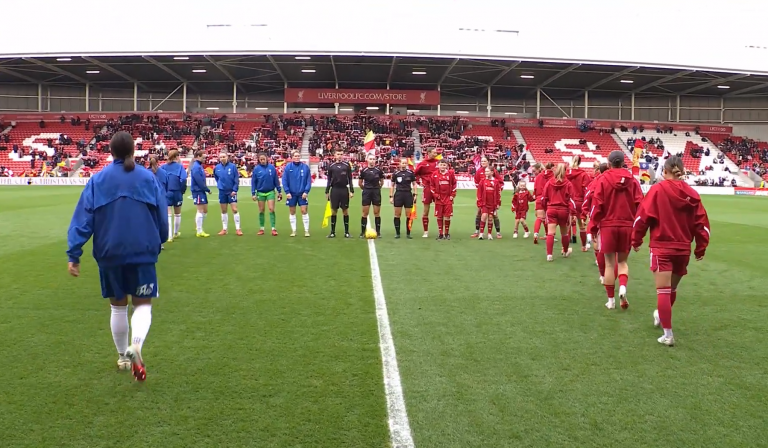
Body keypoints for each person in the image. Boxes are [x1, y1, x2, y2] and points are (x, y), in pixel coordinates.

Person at [66, 131, 168, 382]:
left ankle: (123, 356)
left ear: (110, 152)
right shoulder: (147, 177)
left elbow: (83, 219)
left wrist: (74, 253)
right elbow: (162, 215)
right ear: (133, 151)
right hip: (142, 250)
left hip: (109, 251)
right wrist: (160, 239)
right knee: (143, 303)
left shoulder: (97, 180)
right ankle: (137, 344)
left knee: (117, 305)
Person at [632, 155, 710, 346]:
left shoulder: (657, 190)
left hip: (662, 247)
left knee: (664, 292)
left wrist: (636, 239)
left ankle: (668, 334)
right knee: (671, 289)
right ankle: (660, 315)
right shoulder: (692, 193)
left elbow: (642, 218)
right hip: (683, 249)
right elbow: (702, 224)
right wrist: (700, 247)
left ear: (664, 171)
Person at [588, 151, 643, 310]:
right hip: (627, 225)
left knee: (610, 265)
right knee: (623, 262)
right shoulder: (632, 180)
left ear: (609, 163)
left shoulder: (603, 179)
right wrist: (639, 230)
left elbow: (597, 205)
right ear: (623, 163)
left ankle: (611, 300)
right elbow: (640, 205)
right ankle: (623, 287)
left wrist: (592, 227)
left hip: (608, 226)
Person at [541, 163, 575, 261]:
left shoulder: (549, 183)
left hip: (551, 209)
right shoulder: (568, 184)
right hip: (563, 210)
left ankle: (549, 255)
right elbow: (571, 200)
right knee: (564, 233)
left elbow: (543, 198)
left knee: (550, 233)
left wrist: (545, 208)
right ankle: (565, 251)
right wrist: (572, 212)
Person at [583, 162, 609, 282]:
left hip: (596, 212)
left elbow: (588, 194)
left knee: (596, 238)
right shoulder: (617, 179)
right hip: (613, 216)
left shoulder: (597, 181)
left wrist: (586, 211)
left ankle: (601, 269)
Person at [324, 148, 354, 238]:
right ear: (335, 155)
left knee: (345, 211)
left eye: (341, 154)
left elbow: (350, 179)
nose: (339, 155)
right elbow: (329, 179)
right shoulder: (331, 166)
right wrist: (327, 191)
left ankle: (347, 232)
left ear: (343, 155)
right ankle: (332, 232)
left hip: (344, 190)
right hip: (335, 190)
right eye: (338, 154)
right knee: (334, 211)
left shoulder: (347, 165)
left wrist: (351, 190)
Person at [471, 157, 503, 239]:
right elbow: (477, 183)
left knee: (494, 215)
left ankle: (498, 232)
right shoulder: (479, 171)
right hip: (483, 197)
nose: (483, 162)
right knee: (480, 213)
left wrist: (498, 192)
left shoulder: (494, 171)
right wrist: (479, 196)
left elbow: (500, 182)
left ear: (488, 162)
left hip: (492, 198)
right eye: (482, 161)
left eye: (485, 161)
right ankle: (477, 231)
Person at [282, 150, 312, 237]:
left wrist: (306, 191)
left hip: (302, 194)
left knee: (304, 211)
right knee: (292, 212)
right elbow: (284, 180)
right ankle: (294, 230)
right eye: (295, 156)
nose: (297, 157)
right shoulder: (288, 167)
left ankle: (306, 230)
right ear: (292, 157)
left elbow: (308, 181)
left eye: (298, 156)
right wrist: (287, 191)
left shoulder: (305, 167)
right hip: (291, 194)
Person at [251, 152, 282, 236]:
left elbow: (276, 180)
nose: (262, 161)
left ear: (267, 158)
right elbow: (253, 182)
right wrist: (253, 193)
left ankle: (273, 228)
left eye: (263, 159)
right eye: (260, 159)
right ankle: (261, 228)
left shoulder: (271, 168)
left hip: (270, 192)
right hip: (260, 193)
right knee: (261, 211)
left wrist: (279, 191)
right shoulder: (256, 169)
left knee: (271, 209)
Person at [159, 149, 187, 242]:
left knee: (168, 214)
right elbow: (183, 179)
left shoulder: (163, 167)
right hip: (177, 191)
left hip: (167, 192)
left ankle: (169, 236)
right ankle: (175, 232)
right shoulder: (180, 167)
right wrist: (182, 190)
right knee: (177, 213)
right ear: (176, 157)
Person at [566, 155, 591, 251]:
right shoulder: (583, 174)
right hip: (579, 201)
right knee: (581, 225)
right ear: (580, 162)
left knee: (567, 224)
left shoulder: (566, 173)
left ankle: (566, 247)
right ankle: (584, 246)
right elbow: (587, 190)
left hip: (569, 201)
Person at [213, 152, 242, 236]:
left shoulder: (232, 166)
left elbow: (236, 179)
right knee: (223, 210)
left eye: (224, 156)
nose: (222, 158)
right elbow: (216, 178)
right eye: (221, 157)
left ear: (227, 157)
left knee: (234, 209)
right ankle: (224, 229)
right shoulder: (217, 168)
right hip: (222, 191)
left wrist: (235, 190)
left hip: (231, 191)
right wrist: (220, 185)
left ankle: (238, 228)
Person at [414, 148, 440, 238]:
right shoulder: (422, 163)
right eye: (434, 152)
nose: (436, 153)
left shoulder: (439, 162)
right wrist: (418, 182)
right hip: (427, 188)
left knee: (440, 210)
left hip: (438, 188)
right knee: (426, 211)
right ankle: (425, 231)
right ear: (429, 153)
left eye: (436, 152)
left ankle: (441, 231)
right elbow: (415, 174)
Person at [359, 154, 385, 237]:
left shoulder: (378, 170)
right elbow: (360, 183)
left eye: (374, 159)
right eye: (371, 159)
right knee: (365, 213)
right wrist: (365, 189)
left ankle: (378, 232)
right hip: (366, 192)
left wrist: (377, 188)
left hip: (376, 192)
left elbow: (382, 182)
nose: (372, 160)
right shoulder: (364, 170)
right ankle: (363, 232)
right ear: (367, 160)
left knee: (377, 212)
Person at [390, 157, 417, 239]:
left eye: (405, 163)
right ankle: (397, 233)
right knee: (397, 214)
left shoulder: (410, 173)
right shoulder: (396, 173)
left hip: (408, 194)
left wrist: (415, 194)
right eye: (403, 163)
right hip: (398, 194)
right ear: (399, 163)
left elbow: (414, 184)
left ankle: (408, 233)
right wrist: (391, 196)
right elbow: (392, 185)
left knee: (408, 215)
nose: (404, 164)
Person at [430, 159, 457, 240]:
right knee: (439, 216)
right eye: (441, 165)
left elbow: (454, 184)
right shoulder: (434, 174)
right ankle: (440, 233)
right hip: (439, 199)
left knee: (447, 216)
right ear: (438, 165)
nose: (442, 166)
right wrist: (435, 195)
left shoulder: (450, 174)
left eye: (444, 165)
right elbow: (432, 186)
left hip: (448, 198)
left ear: (447, 166)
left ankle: (446, 233)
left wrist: (452, 195)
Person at [476, 167, 502, 240]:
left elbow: (498, 193)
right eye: (485, 171)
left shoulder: (496, 182)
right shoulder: (482, 181)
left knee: (490, 218)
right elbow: (479, 192)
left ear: (492, 172)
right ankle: (481, 234)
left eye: (488, 171)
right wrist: (479, 202)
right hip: (484, 203)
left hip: (492, 204)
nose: (486, 173)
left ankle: (489, 234)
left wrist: (498, 203)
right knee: (484, 216)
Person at [190, 150, 211, 237]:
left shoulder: (199, 166)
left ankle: (199, 226)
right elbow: (199, 181)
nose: (204, 159)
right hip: (198, 191)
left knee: (205, 210)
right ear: (198, 156)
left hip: (200, 191)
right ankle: (199, 231)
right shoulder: (196, 167)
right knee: (200, 210)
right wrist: (207, 189)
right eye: (203, 157)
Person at [532, 162, 554, 244]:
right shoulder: (552, 175)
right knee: (547, 218)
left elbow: (535, 189)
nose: (534, 173)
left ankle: (536, 234)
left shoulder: (538, 177)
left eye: (534, 171)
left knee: (539, 218)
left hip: (539, 198)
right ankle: (549, 234)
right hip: (548, 198)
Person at [149, 156, 168, 249]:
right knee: (161, 220)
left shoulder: (145, 173)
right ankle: (161, 242)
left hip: (149, 198)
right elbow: (167, 186)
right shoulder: (164, 173)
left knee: (150, 220)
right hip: (161, 199)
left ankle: (150, 241)